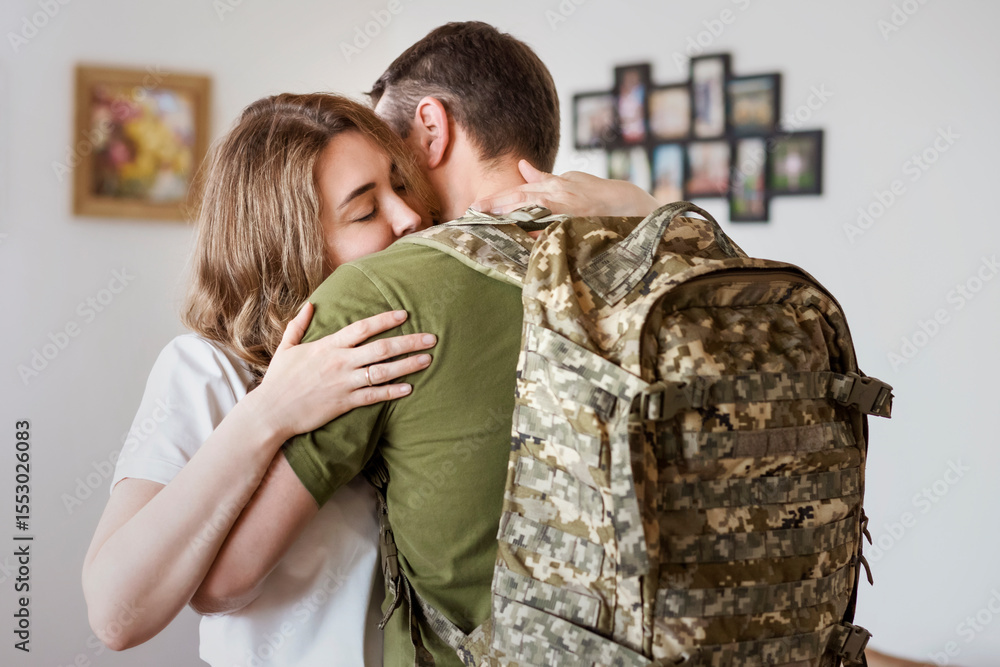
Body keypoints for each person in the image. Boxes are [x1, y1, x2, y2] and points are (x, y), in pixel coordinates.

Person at [186, 22, 661, 667]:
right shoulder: (663, 251)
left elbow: (223, 583)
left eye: (395, 156)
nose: (405, 212)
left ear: (431, 128)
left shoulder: (378, 293)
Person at [82, 93, 443, 666]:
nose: (409, 217)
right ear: (288, 247)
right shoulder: (208, 370)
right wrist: (271, 412)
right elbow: (116, 614)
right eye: (365, 211)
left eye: (400, 186)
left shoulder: (417, 349)